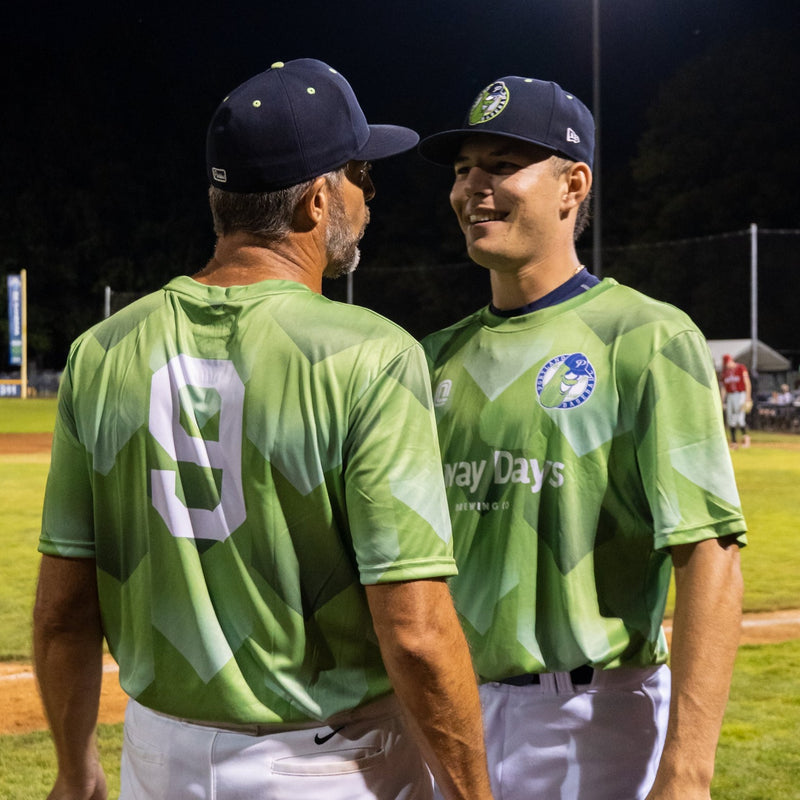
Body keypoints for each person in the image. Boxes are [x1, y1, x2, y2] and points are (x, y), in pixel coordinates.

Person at [34, 59, 493, 800]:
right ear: (316, 201)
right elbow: (414, 631)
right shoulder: (369, 354)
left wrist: (74, 766)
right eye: (359, 176)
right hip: (328, 766)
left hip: (157, 757)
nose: (368, 195)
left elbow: (63, 613)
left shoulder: (103, 351)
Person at [417, 75, 746, 800]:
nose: (473, 186)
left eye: (502, 165)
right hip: (446, 716)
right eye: (465, 168)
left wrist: (687, 772)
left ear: (573, 184)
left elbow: (709, 557)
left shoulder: (647, 337)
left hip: (587, 723)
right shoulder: (433, 356)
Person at [720, 354, 752, 448]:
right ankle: (734, 442)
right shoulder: (725, 373)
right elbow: (724, 388)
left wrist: (748, 397)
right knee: (730, 419)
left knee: (739, 418)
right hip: (730, 395)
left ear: (731, 360)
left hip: (741, 394)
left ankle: (746, 439)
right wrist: (722, 401)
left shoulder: (741, 368)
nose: (727, 365)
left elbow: (747, 383)